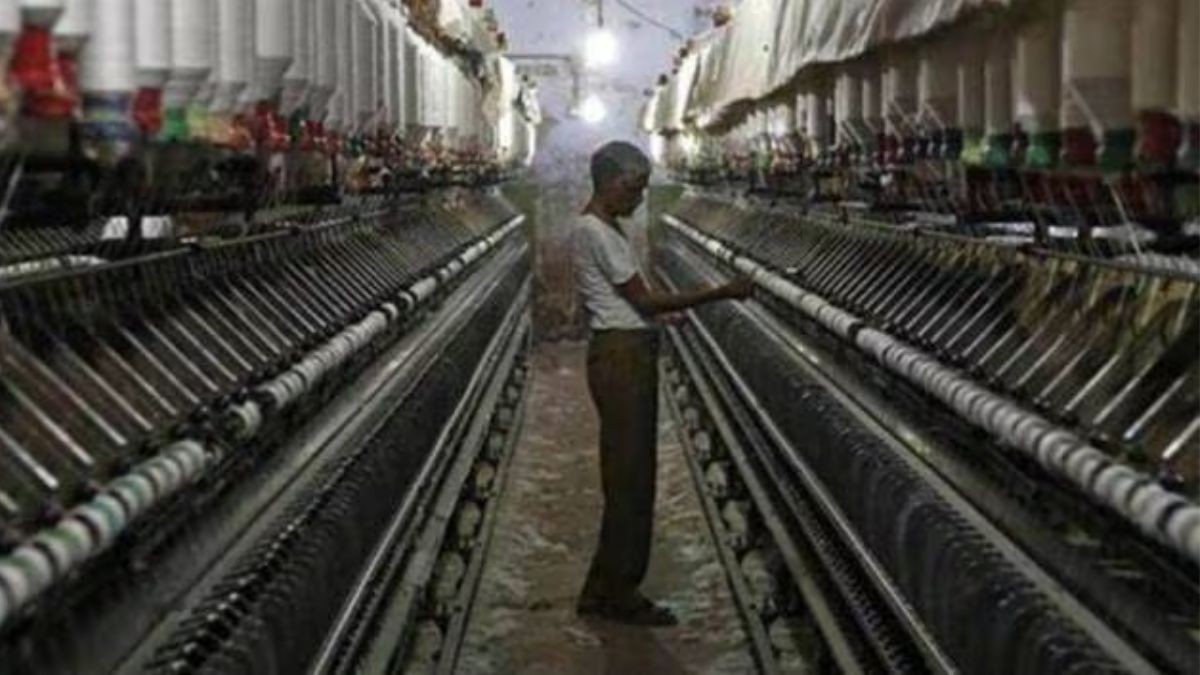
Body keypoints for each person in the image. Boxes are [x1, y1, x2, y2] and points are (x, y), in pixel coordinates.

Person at [570, 141, 752, 626]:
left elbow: (629, 304)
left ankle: (601, 587)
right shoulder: (597, 232)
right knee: (631, 479)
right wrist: (721, 292)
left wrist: (657, 319)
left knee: (626, 474)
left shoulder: (603, 228)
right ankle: (620, 593)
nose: (639, 197)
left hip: (622, 348)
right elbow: (644, 301)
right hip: (623, 359)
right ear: (610, 183)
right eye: (634, 188)